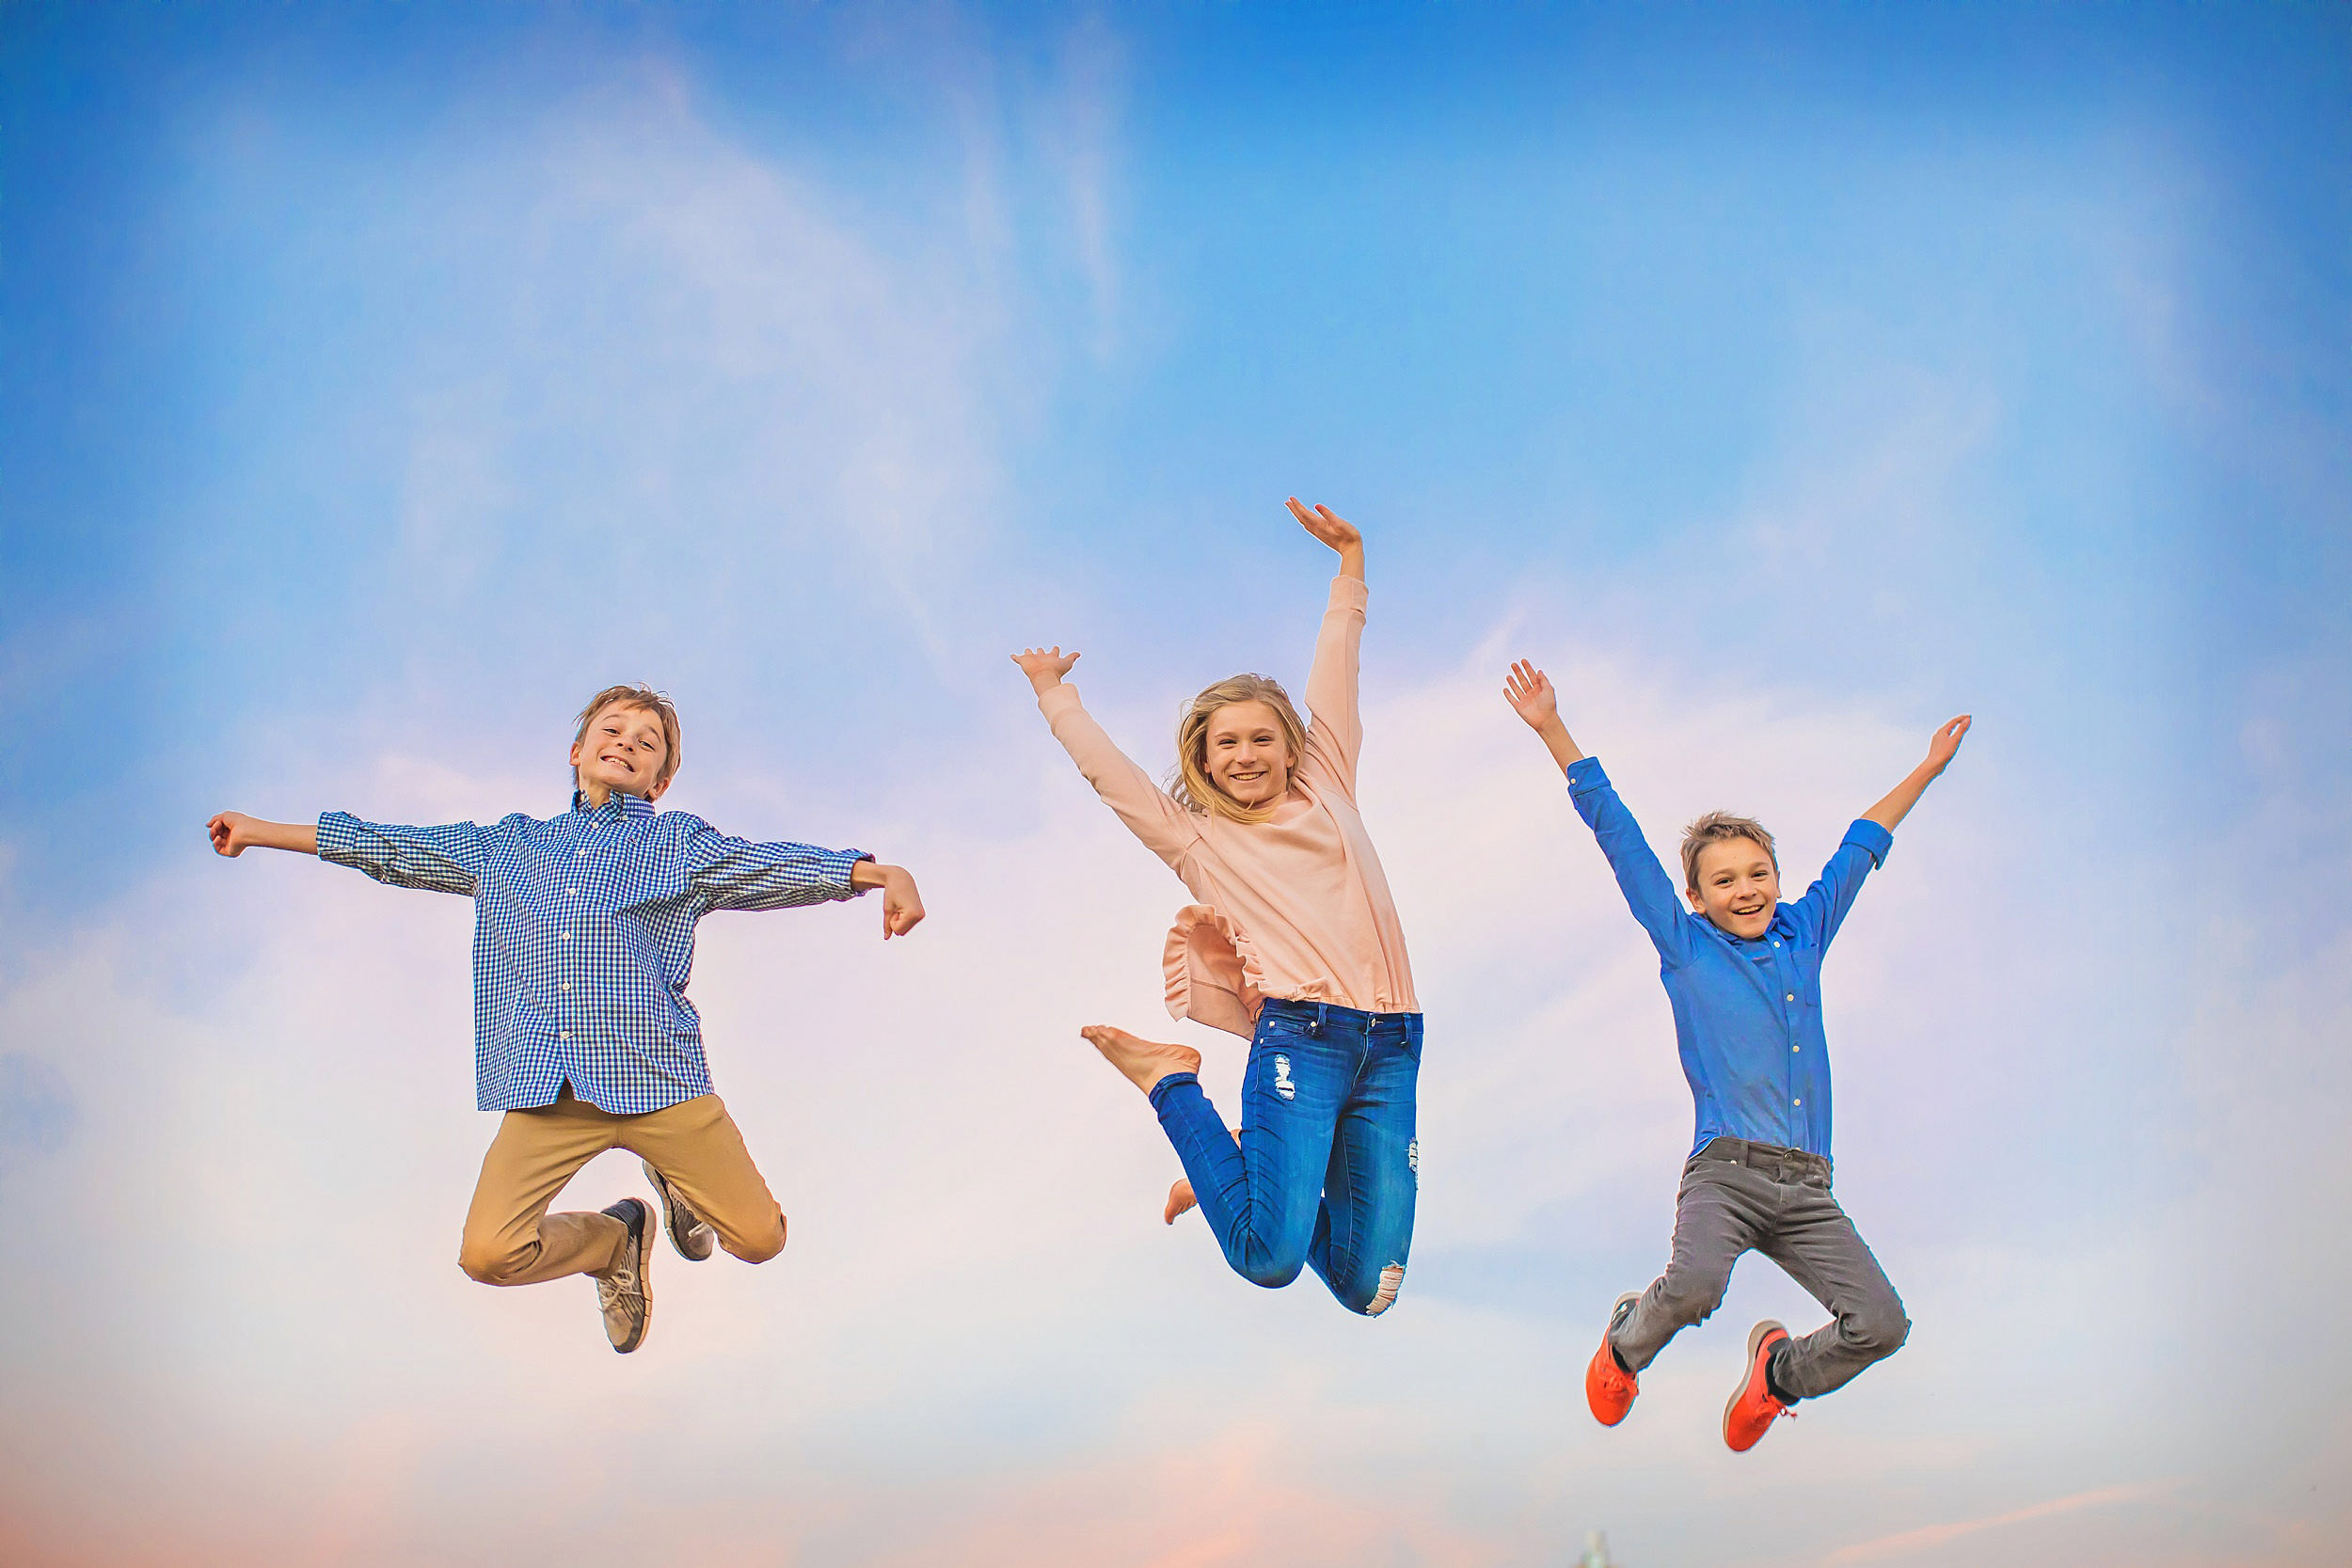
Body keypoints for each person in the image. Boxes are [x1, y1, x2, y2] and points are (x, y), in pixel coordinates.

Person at [206, 683, 924, 1354]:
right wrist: (260, 830)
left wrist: (878, 874)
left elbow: (764, 865)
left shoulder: (675, 843)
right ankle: (614, 1241)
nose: (627, 742)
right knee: (487, 1253)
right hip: (549, 1093)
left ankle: (678, 1178)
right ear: (577, 750)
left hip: (660, 1084)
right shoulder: (508, 847)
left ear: (660, 780)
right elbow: (388, 847)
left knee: (761, 1239)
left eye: (648, 742)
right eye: (611, 729)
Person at [1502, 657, 1968, 1449]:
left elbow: (1862, 846)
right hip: (1726, 1172)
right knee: (1694, 1286)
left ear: (1779, 878)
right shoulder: (1685, 948)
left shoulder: (1804, 935)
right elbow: (1622, 840)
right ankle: (1622, 1346)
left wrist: (1925, 767)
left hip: (1808, 1189)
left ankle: (1777, 1376)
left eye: (1759, 873)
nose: (1746, 889)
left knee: (1882, 1324)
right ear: (1696, 898)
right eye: (1724, 880)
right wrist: (1553, 729)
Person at [1013, 500, 1422, 1317]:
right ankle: (1172, 1084)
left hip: (1395, 1041)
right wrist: (1055, 695)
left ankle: (1240, 1166)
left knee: (1369, 1288)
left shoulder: (1328, 782)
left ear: (1292, 747)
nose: (1244, 755)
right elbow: (1114, 779)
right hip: (1300, 1041)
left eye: (1261, 739)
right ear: (1203, 757)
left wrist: (1350, 567)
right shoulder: (1199, 840)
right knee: (1267, 1255)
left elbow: (1336, 670)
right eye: (1225, 743)